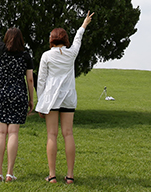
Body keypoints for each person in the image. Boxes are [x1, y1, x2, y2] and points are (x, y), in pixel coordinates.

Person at [35, 11, 94, 184]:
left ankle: (52, 175)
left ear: (52, 39)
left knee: (52, 135)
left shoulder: (46, 55)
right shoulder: (71, 53)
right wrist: (84, 24)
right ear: (64, 39)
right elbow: (78, 40)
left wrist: (41, 103)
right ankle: (70, 176)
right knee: (68, 134)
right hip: (68, 97)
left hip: (52, 99)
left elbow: (41, 81)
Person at [0, 10, 35, 182]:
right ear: (21, 40)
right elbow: (29, 79)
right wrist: (31, 99)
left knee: (0, 133)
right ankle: (9, 173)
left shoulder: (1, 49)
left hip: (0, 93)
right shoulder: (26, 55)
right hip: (18, 94)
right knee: (13, 133)